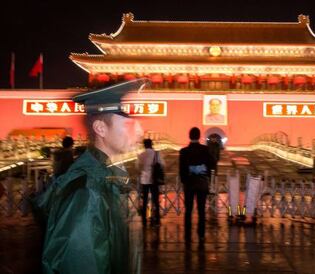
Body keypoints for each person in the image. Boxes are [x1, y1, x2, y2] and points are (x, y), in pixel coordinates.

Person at [33, 79, 150, 274]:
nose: (139, 132)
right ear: (100, 128)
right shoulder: (87, 191)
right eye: (128, 125)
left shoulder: (105, 176)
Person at [179, 127, 215, 243]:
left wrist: (185, 181)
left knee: (188, 210)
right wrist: (208, 177)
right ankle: (201, 235)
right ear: (199, 136)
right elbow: (212, 164)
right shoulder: (205, 149)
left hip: (189, 184)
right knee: (201, 210)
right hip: (202, 183)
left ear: (189, 136)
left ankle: (187, 235)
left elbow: (181, 170)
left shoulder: (184, 151)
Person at [137, 138, 164, 226]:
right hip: (154, 180)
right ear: (151, 144)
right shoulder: (156, 154)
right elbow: (162, 164)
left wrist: (144, 170)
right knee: (155, 200)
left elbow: (138, 167)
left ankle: (144, 220)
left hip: (144, 180)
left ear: (144, 145)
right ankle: (156, 220)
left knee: (144, 200)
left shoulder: (141, 155)